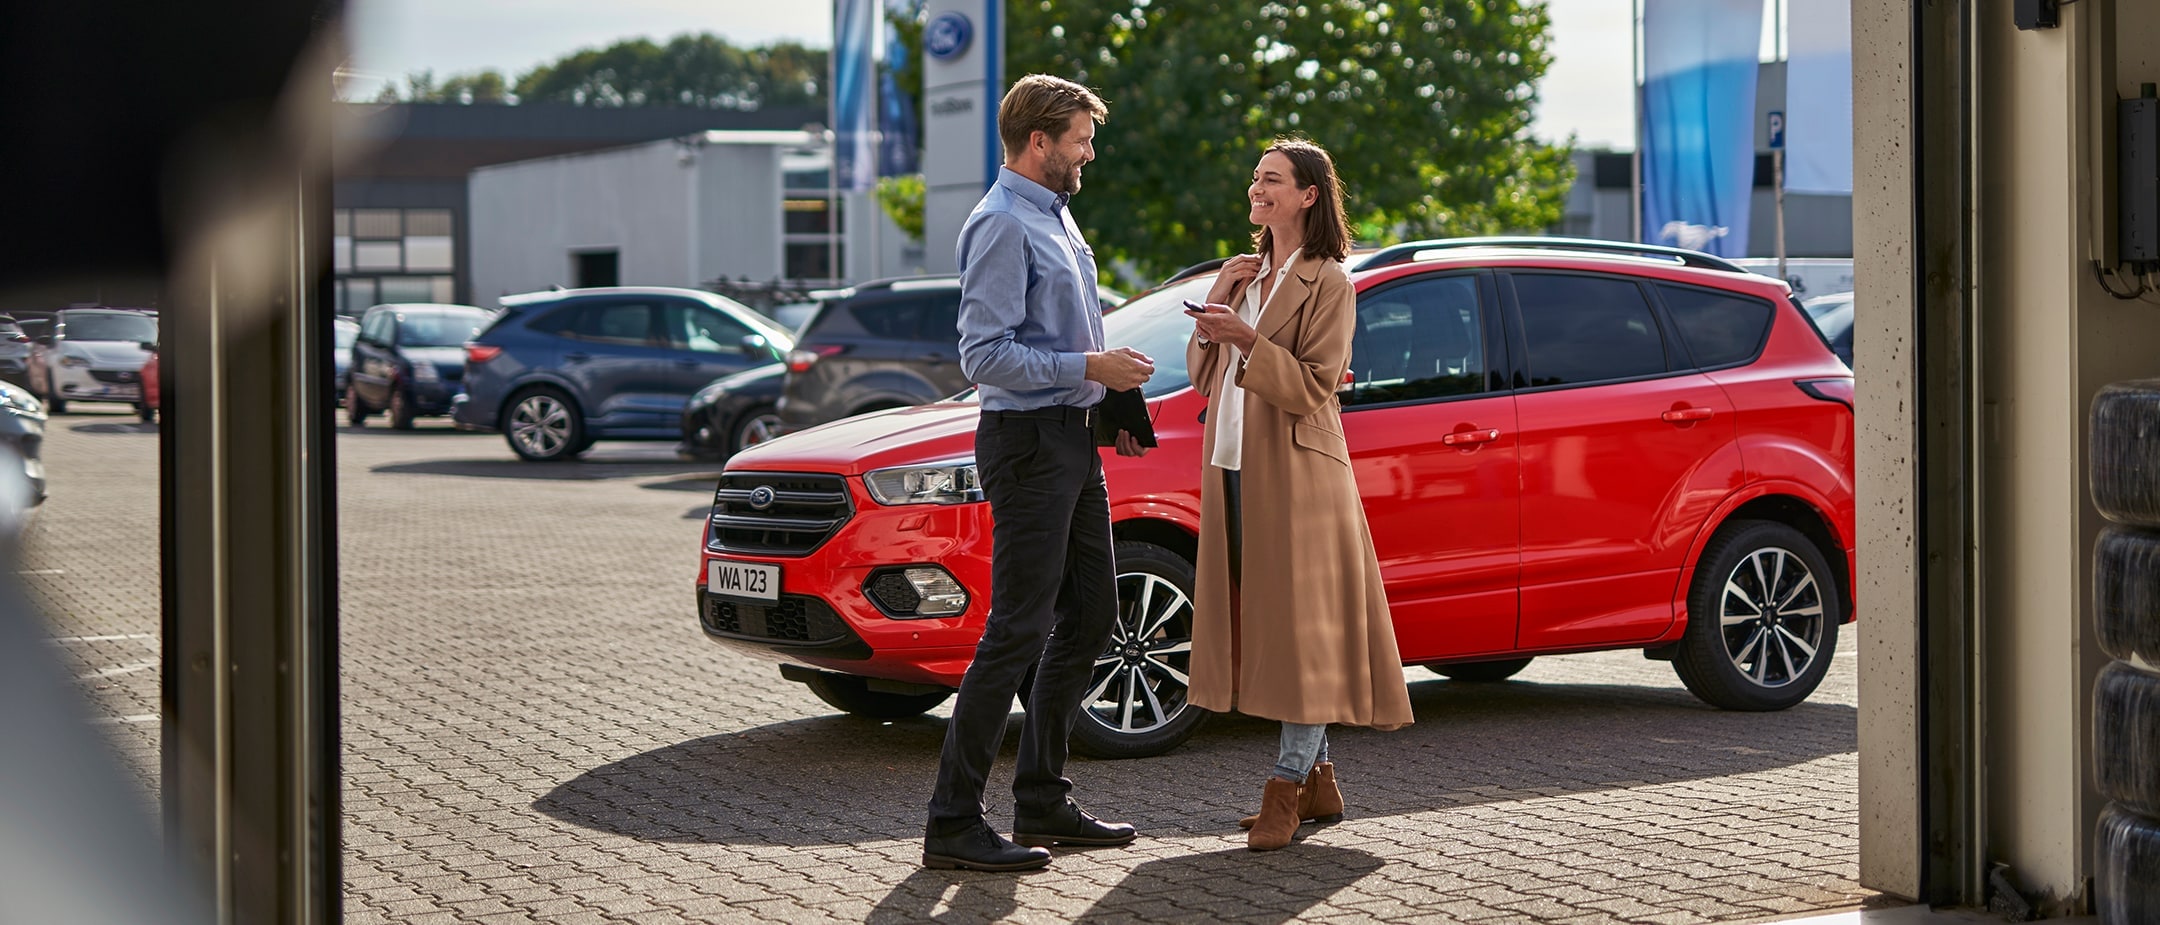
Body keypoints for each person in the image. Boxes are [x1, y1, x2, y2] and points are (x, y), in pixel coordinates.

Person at [922, 74, 1156, 873]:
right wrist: (1089, 364)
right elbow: (984, 356)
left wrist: (1109, 396)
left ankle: (1042, 797)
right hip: (1024, 443)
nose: (1089, 151)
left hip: (1070, 438)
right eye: (1081, 138)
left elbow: (1072, 330)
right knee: (1018, 626)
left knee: (1092, 611)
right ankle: (952, 819)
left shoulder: (1056, 216)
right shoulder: (999, 224)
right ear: (1039, 141)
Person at [1183, 139, 1415, 852]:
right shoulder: (1245, 274)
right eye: (1255, 177)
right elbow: (1199, 374)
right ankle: (1320, 781)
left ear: (1308, 194)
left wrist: (1248, 337)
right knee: (1275, 629)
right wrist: (1222, 299)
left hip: (1300, 473)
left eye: (1272, 179)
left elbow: (1317, 384)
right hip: (1232, 467)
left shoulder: (1331, 281)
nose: (1257, 188)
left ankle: (1286, 787)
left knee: (1302, 631)